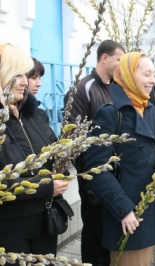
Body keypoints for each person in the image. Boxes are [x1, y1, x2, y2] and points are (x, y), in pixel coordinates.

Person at [84, 52, 155, 266]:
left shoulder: (148, 108)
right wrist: (124, 209)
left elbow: (153, 150)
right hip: (126, 215)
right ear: (130, 76)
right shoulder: (111, 114)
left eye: (154, 74)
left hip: (146, 211)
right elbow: (96, 169)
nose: (153, 80)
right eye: (147, 74)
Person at [0, 44, 68, 256]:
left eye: (25, 74)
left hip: (45, 221)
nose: (23, 81)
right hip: (10, 227)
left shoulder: (36, 115)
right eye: (17, 74)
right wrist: (46, 187)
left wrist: (63, 171)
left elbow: (55, 155)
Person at [64, 40, 125, 266]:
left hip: (116, 174)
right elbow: (74, 134)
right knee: (94, 231)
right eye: (119, 59)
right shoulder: (83, 88)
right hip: (92, 176)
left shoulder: (117, 87)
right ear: (105, 58)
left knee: (109, 231)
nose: (121, 65)